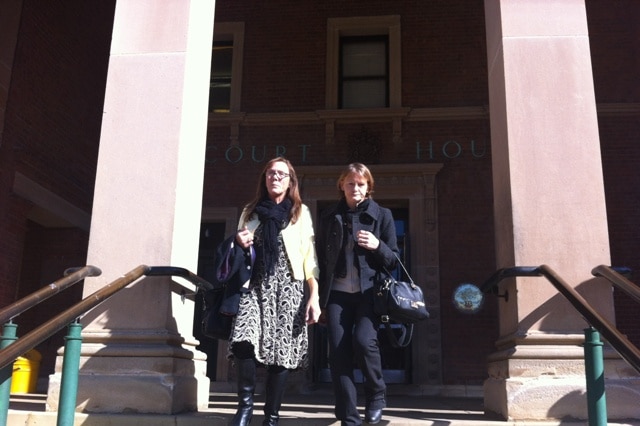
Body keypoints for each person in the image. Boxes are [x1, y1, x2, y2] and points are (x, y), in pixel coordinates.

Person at [227, 157, 321, 426]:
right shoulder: (251, 211)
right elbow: (239, 253)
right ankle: (245, 407)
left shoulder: (300, 213)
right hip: (253, 286)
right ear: (264, 178)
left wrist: (313, 296)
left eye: (281, 174)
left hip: (289, 287)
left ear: (291, 180)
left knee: (281, 353)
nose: (275, 177)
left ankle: (271, 416)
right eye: (270, 173)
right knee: (243, 340)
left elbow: (309, 259)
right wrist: (239, 241)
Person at [317, 162, 399, 426]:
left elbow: (394, 261)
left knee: (364, 342)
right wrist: (317, 299)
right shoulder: (330, 216)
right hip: (337, 294)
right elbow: (320, 259)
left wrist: (378, 246)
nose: (355, 188)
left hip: (368, 294)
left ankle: (376, 396)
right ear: (341, 185)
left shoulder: (383, 215)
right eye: (350, 183)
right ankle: (348, 418)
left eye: (360, 184)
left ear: (369, 187)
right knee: (338, 355)